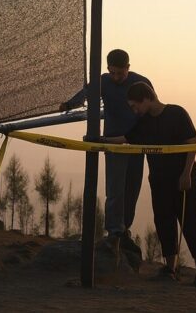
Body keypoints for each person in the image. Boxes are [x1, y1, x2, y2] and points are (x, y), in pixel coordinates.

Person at [104, 81, 196, 289]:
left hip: (183, 178)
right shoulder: (144, 122)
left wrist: (186, 174)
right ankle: (170, 269)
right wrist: (100, 141)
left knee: (191, 222)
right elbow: (126, 139)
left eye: (135, 105)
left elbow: (193, 143)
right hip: (159, 180)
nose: (134, 110)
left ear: (146, 98)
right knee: (164, 222)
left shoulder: (177, 113)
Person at [59, 49, 148, 254]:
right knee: (115, 190)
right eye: (113, 72)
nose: (116, 77)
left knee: (132, 190)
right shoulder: (103, 82)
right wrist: (68, 104)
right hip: (113, 143)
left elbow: (151, 108)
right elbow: (85, 95)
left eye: (120, 73)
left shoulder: (141, 83)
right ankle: (115, 232)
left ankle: (125, 230)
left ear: (128, 68)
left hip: (136, 143)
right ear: (108, 69)